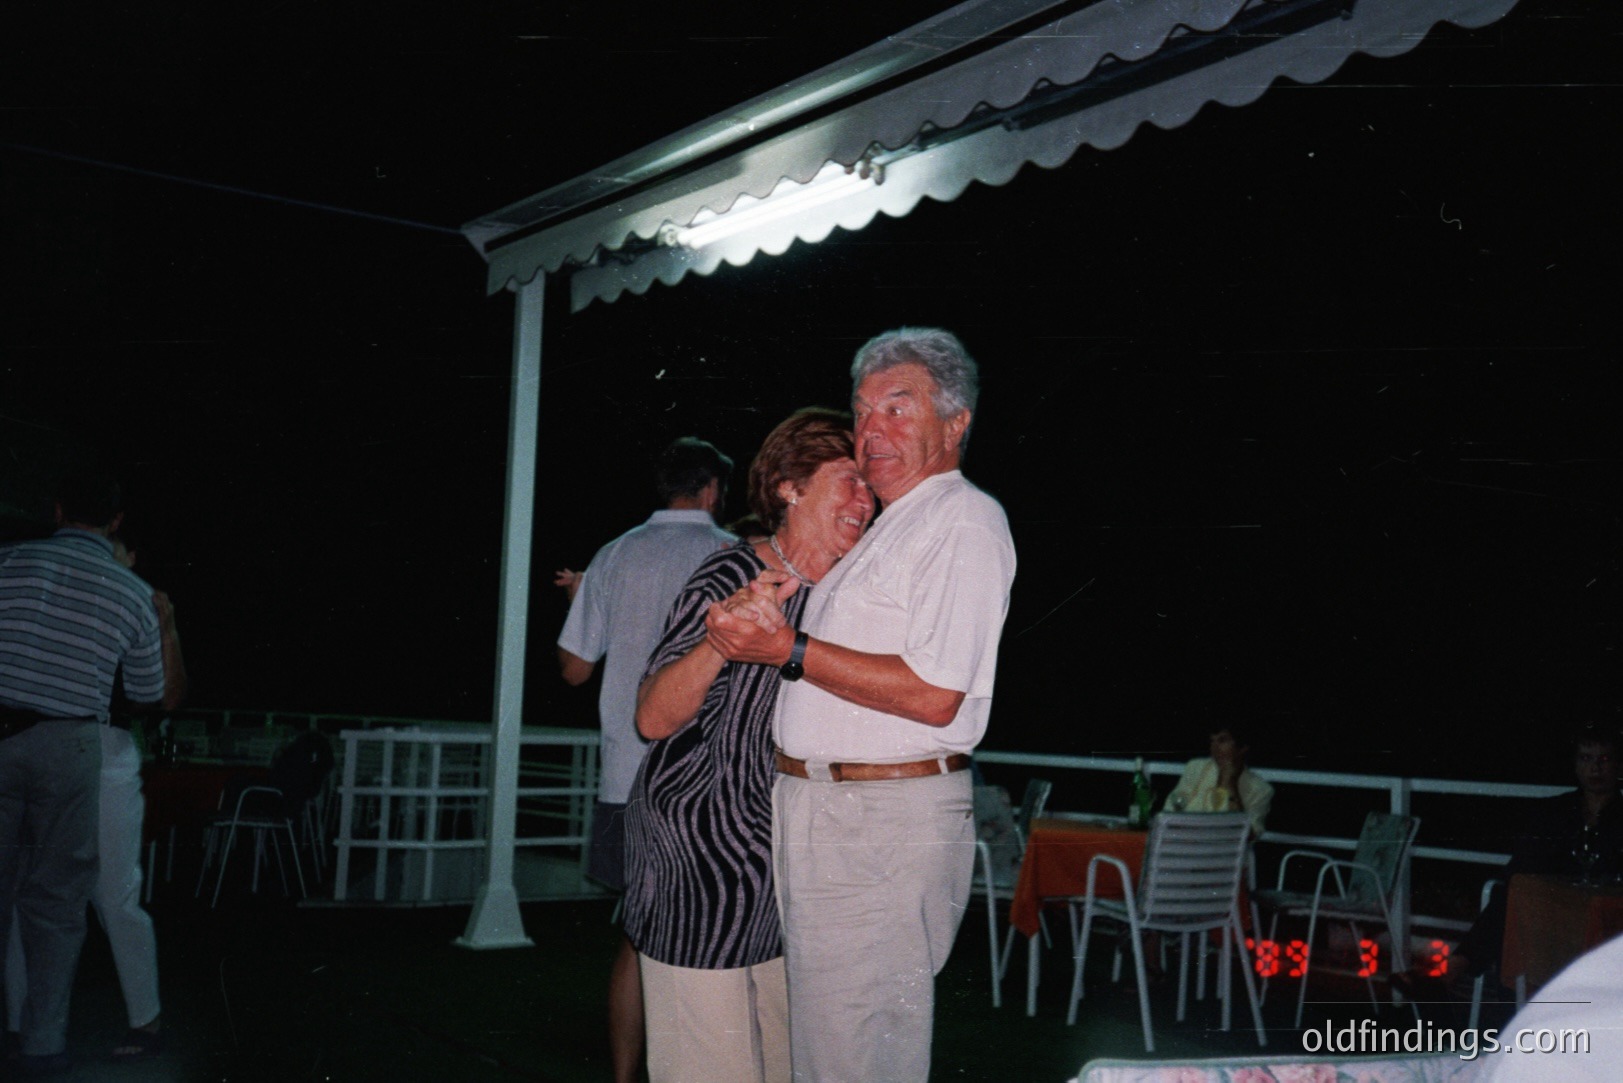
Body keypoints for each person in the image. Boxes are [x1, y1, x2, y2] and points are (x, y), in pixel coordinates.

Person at [707, 328, 1017, 1082]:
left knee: (859, 1053)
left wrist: (790, 650)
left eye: (897, 407)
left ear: (955, 422)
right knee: (830, 1047)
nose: (872, 429)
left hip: (878, 821)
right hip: (829, 812)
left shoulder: (962, 521)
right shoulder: (890, 526)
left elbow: (934, 693)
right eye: (863, 410)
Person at [625, 409, 873, 1083]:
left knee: (791, 1065)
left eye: (869, 488)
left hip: (789, 873)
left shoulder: (844, 601)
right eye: (849, 481)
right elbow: (651, 716)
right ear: (790, 486)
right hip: (700, 862)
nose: (865, 500)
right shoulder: (731, 573)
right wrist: (717, 640)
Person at [556, 436, 735, 1083]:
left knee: (635, 936)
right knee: (712, 936)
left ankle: (626, 1074)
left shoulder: (614, 554)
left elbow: (575, 670)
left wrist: (583, 600)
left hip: (623, 775)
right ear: (712, 488)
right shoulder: (731, 555)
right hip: (708, 786)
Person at [0, 471, 184, 1073]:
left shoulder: (13, 563)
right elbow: (154, 692)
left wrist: (167, 624)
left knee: (82, 895)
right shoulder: (126, 590)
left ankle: (48, 1027)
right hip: (75, 748)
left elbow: (162, 696)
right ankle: (35, 1034)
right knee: (56, 900)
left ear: (56, 509)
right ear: (115, 523)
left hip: (61, 747)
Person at [1453, 722, 1623, 983]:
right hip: (1555, 915)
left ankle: (1458, 965)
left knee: (1515, 893)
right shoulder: (1557, 810)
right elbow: (1522, 868)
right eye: (1586, 758)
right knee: (1514, 888)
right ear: (1576, 765)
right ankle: (1460, 964)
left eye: (1604, 759)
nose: (1595, 768)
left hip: (1605, 921)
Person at [1164, 724, 1274, 837]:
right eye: (1212, 741)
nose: (1214, 749)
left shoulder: (1261, 790)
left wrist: (1231, 785)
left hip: (1227, 852)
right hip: (1186, 843)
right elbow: (1171, 810)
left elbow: (1248, 836)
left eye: (1222, 741)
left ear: (1242, 748)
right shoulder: (1196, 768)